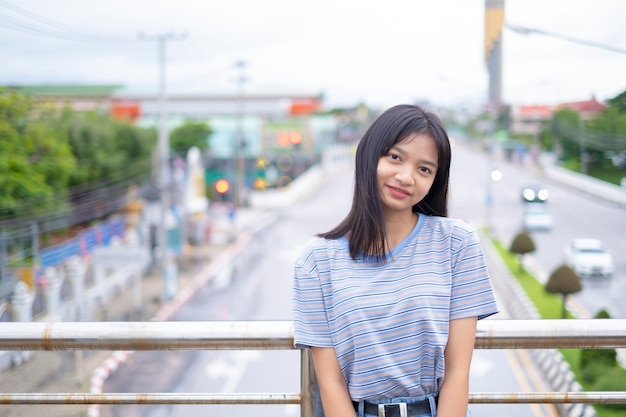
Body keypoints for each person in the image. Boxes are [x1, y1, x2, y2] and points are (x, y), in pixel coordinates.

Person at [292, 104, 499, 417]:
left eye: (424, 169)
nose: (406, 177)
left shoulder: (457, 243)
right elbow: (330, 382)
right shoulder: (316, 261)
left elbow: (458, 370)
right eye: (395, 157)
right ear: (370, 155)